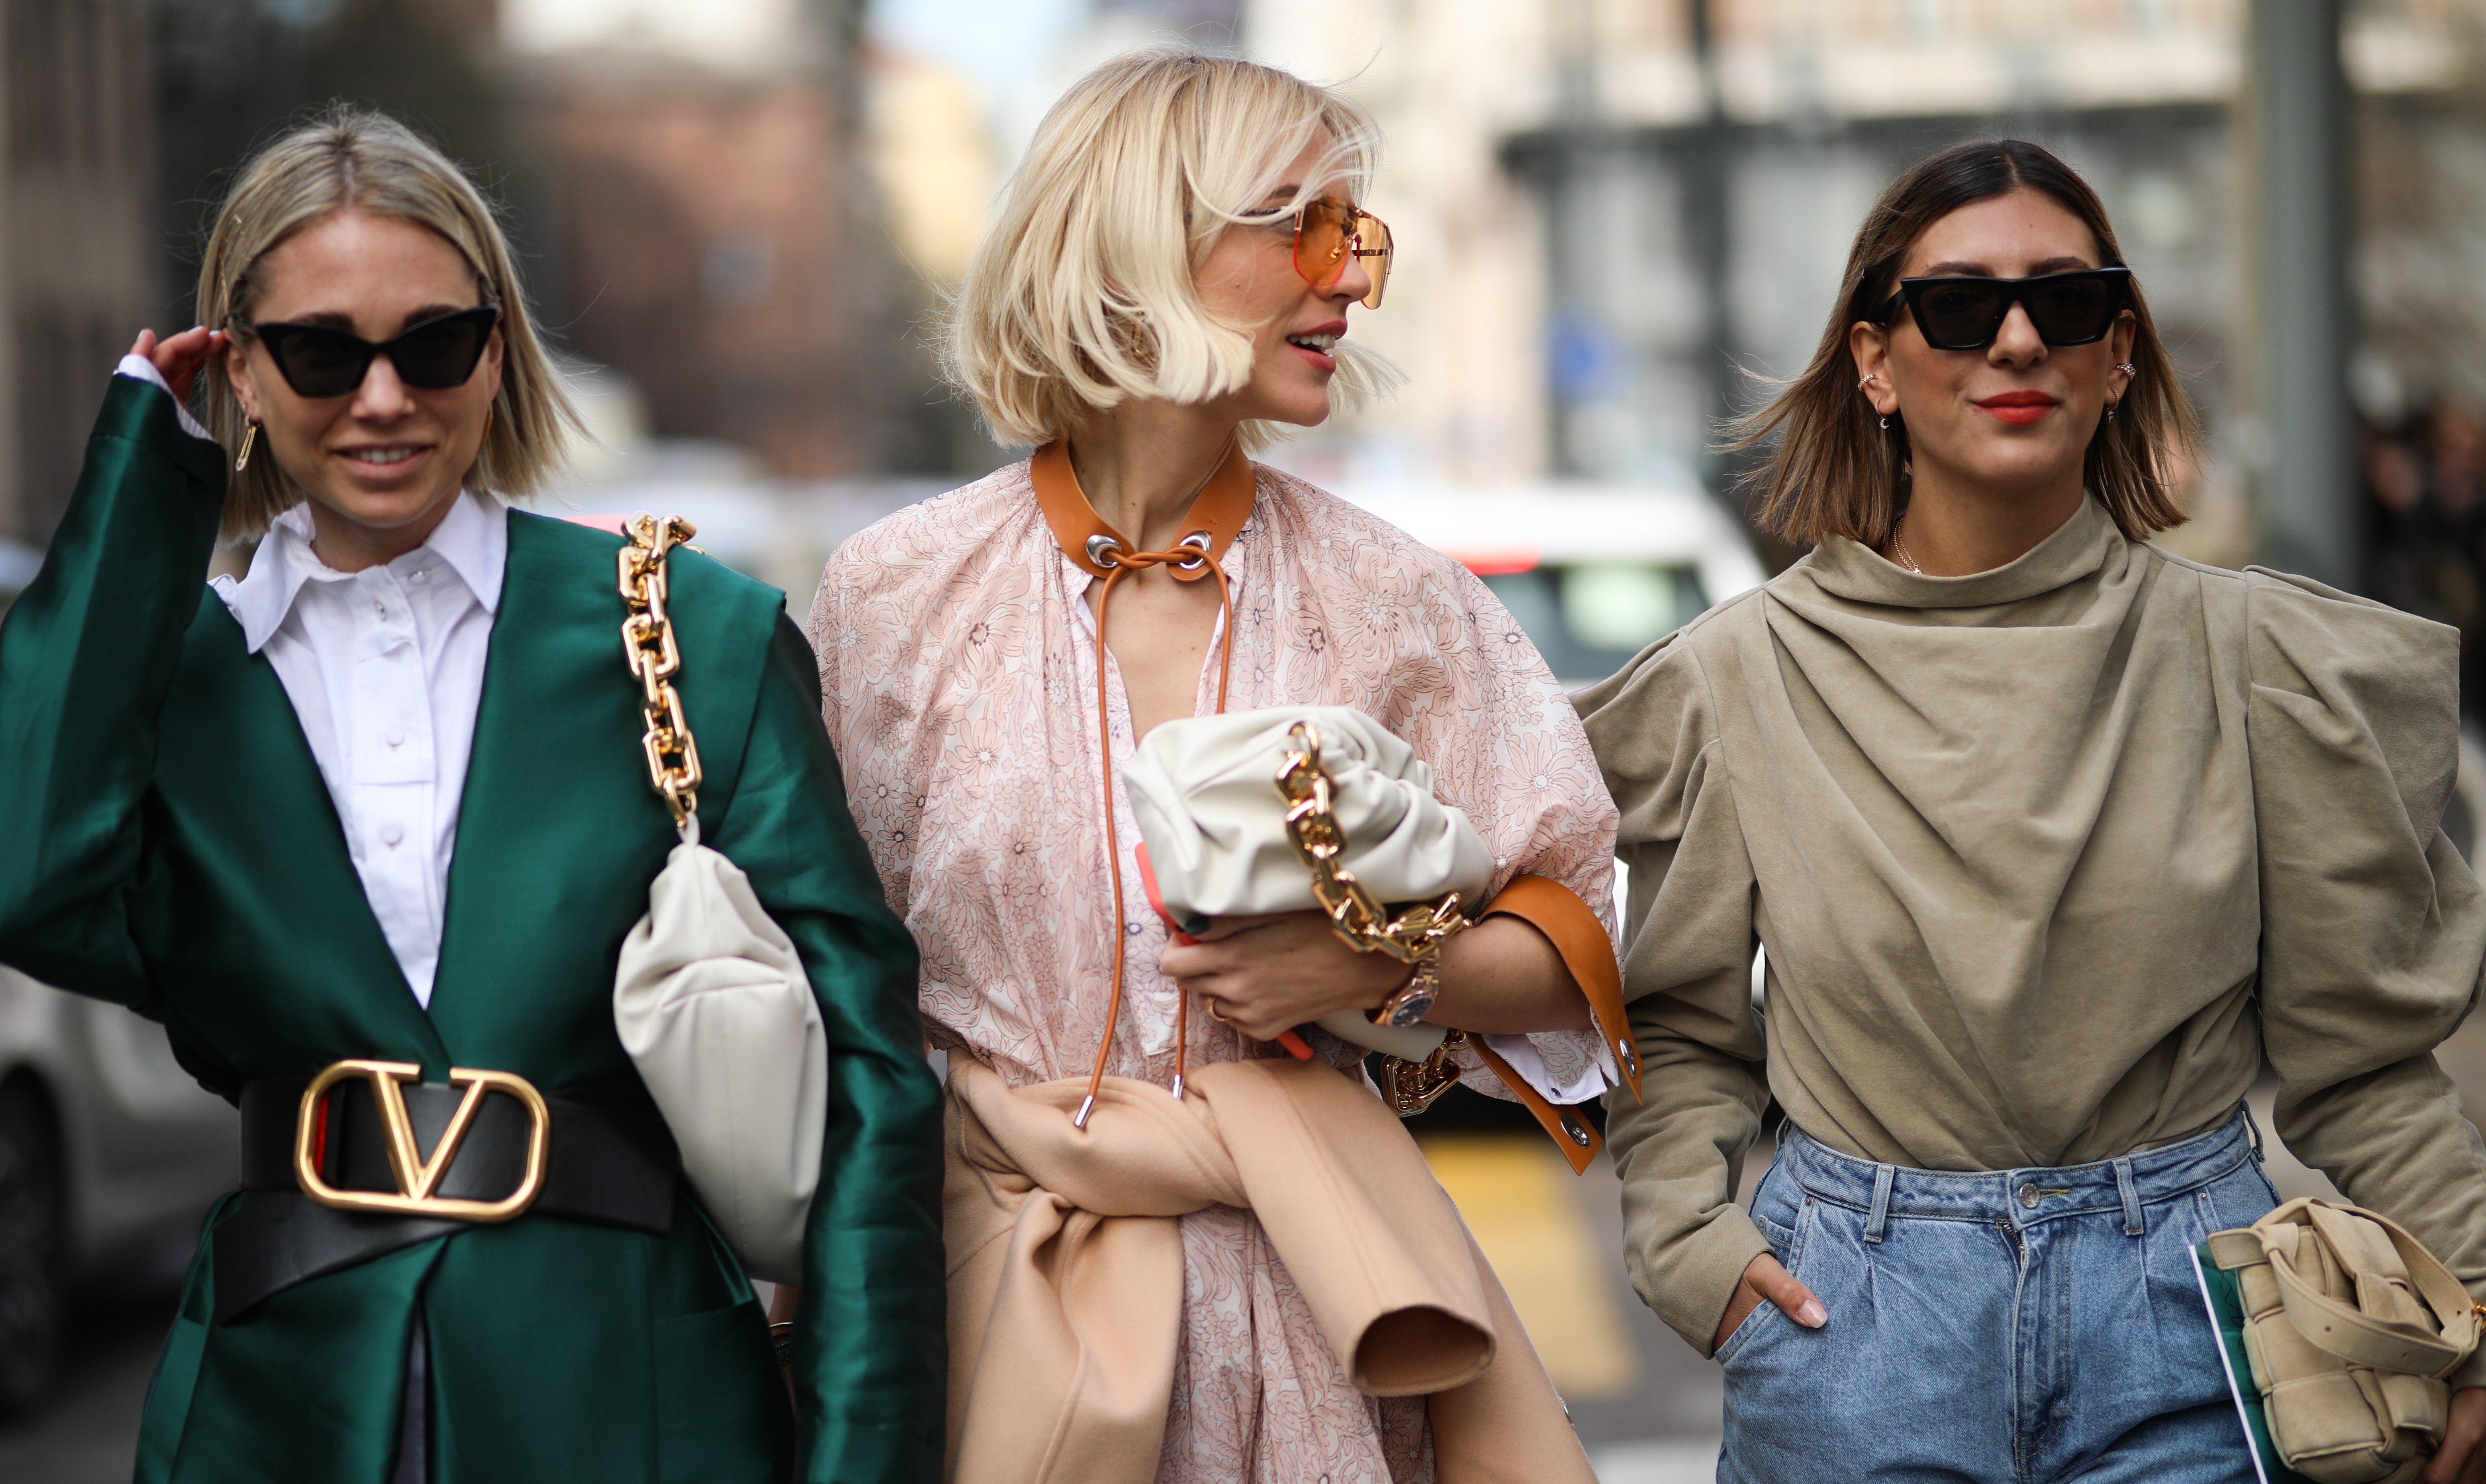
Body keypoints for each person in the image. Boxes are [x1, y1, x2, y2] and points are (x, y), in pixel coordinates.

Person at [0, 107, 942, 1484]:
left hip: (633, 1399)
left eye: (434, 344)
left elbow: (872, 1079)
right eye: (323, 353)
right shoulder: (164, 681)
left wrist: (863, 1458)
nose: (384, 397)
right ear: (242, 371)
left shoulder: (688, 632)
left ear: (496, 353)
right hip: (280, 1409)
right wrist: (134, 491)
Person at [1580, 137, 2486, 1483]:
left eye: (2066, 302)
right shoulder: (1741, 678)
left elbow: (2362, 1061)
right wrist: (1694, 1257)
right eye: (1959, 305)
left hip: (2197, 1320)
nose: (2017, 340)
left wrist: (2477, 1309)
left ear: (2117, 356)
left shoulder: (2254, 662)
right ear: (1874, 361)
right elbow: (1683, 1029)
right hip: (1849, 1328)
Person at [808, 47, 1621, 1484]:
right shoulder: (894, 594)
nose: (1351, 276)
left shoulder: (1397, 597)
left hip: (1320, 1322)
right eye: (1305, 227)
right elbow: (822, 995)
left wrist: (1375, 967)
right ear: (1145, 238)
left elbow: (1582, 942)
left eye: (1357, 233)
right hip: (993, 1301)